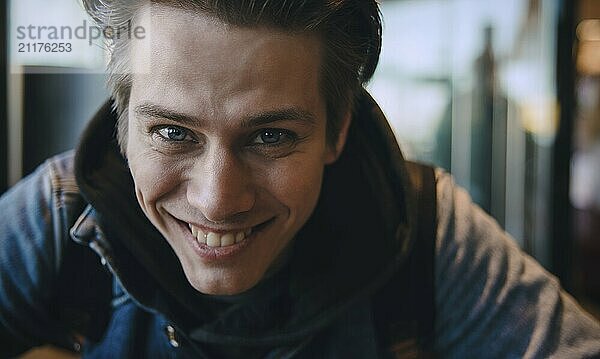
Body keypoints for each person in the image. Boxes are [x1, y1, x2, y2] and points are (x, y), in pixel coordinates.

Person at [1, 1, 599, 358]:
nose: (217, 199)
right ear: (122, 123)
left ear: (339, 128)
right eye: (171, 133)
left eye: (271, 136)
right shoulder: (57, 218)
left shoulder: (422, 229)